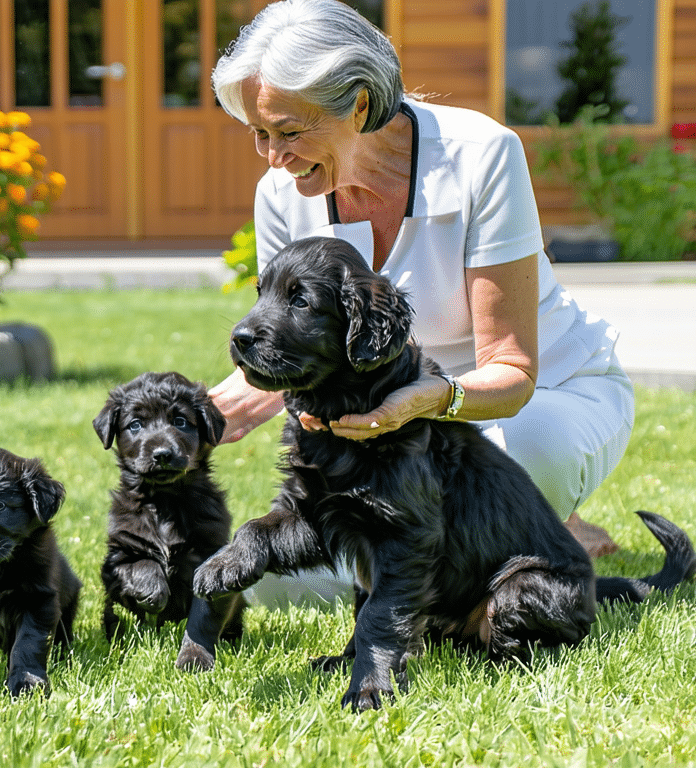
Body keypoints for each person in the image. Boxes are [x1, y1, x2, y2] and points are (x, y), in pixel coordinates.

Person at [208, 0, 633, 603]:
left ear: (357, 104)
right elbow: (293, 348)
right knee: (275, 588)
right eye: (259, 132)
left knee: (527, 452)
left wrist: (433, 398)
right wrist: (216, 410)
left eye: (291, 132)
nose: (274, 157)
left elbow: (513, 373)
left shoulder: (481, 154)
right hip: (399, 434)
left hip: (536, 399)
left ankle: (538, 527)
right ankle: (520, 535)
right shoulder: (281, 192)